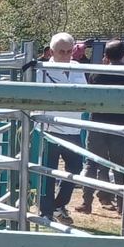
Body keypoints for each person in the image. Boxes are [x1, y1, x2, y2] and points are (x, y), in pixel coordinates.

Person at [36, 32, 86, 225]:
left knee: (76, 168)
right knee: (48, 172)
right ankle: (46, 211)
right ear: (51, 51)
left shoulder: (78, 68)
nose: (65, 55)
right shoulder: (41, 70)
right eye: (61, 52)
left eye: (68, 51)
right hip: (50, 128)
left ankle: (59, 204)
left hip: (74, 127)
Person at [83, 40, 124, 214]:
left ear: (106, 57)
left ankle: (86, 202)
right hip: (122, 126)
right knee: (120, 167)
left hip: (98, 125)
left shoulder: (97, 74)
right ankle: (122, 206)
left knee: (92, 164)